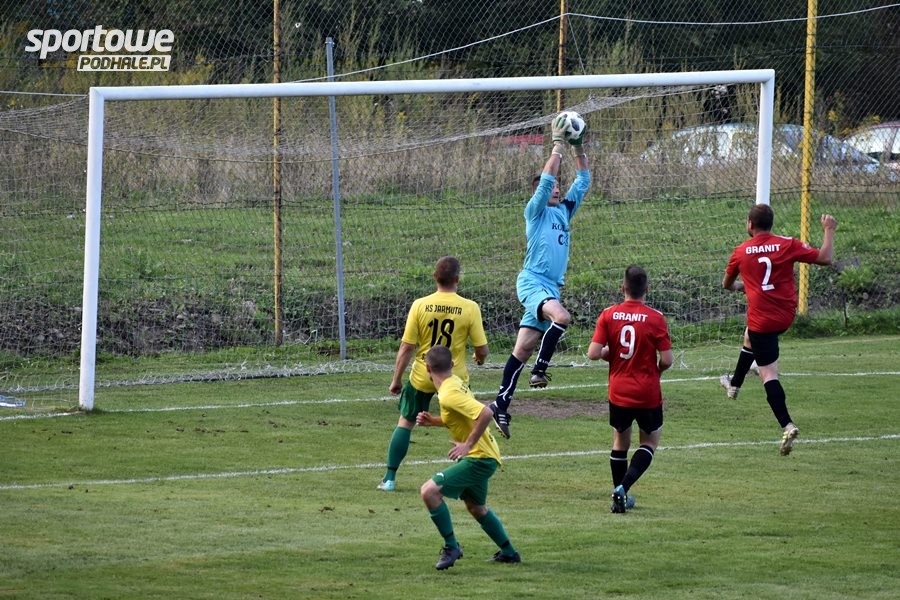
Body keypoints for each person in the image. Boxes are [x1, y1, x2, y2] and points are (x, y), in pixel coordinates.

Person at [489, 111, 592, 439]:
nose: (557, 190)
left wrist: (578, 147)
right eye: (552, 187)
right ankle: (541, 369)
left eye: (559, 187)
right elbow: (546, 180)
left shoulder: (564, 211)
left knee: (521, 349)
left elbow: (584, 181)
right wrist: (557, 146)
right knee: (562, 317)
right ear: (539, 193)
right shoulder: (534, 212)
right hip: (532, 282)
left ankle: (500, 405)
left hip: (551, 287)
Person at [721, 204, 837, 455]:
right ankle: (734, 384)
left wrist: (741, 286)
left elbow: (726, 284)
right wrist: (828, 229)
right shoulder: (786, 243)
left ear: (750, 224)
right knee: (749, 337)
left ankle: (787, 425)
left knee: (769, 374)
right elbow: (825, 258)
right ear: (771, 224)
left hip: (763, 322)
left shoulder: (741, 251)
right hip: (785, 316)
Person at [378, 256, 489, 491]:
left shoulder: (420, 304)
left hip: (423, 373)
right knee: (468, 425)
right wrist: (479, 359)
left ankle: (389, 479)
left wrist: (396, 379)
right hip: (453, 377)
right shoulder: (470, 307)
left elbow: (407, 346)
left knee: (406, 422)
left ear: (434, 277)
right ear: (457, 279)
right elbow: (482, 348)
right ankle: (470, 476)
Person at [416, 345, 520, 570]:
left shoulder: (449, 394)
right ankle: (509, 553)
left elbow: (486, 412)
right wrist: (433, 421)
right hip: (484, 454)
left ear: (427, 369)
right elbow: (460, 416)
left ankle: (452, 546)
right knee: (476, 507)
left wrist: (467, 445)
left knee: (429, 492)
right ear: (452, 364)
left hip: (479, 457)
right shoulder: (454, 382)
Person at [587, 266, 673, 513]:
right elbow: (667, 360)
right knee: (649, 442)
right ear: (647, 289)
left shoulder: (608, 314)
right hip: (647, 392)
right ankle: (622, 489)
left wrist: (610, 353)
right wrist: (657, 371)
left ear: (622, 287)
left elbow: (593, 353)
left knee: (620, 441)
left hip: (619, 391)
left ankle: (619, 497)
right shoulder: (656, 318)